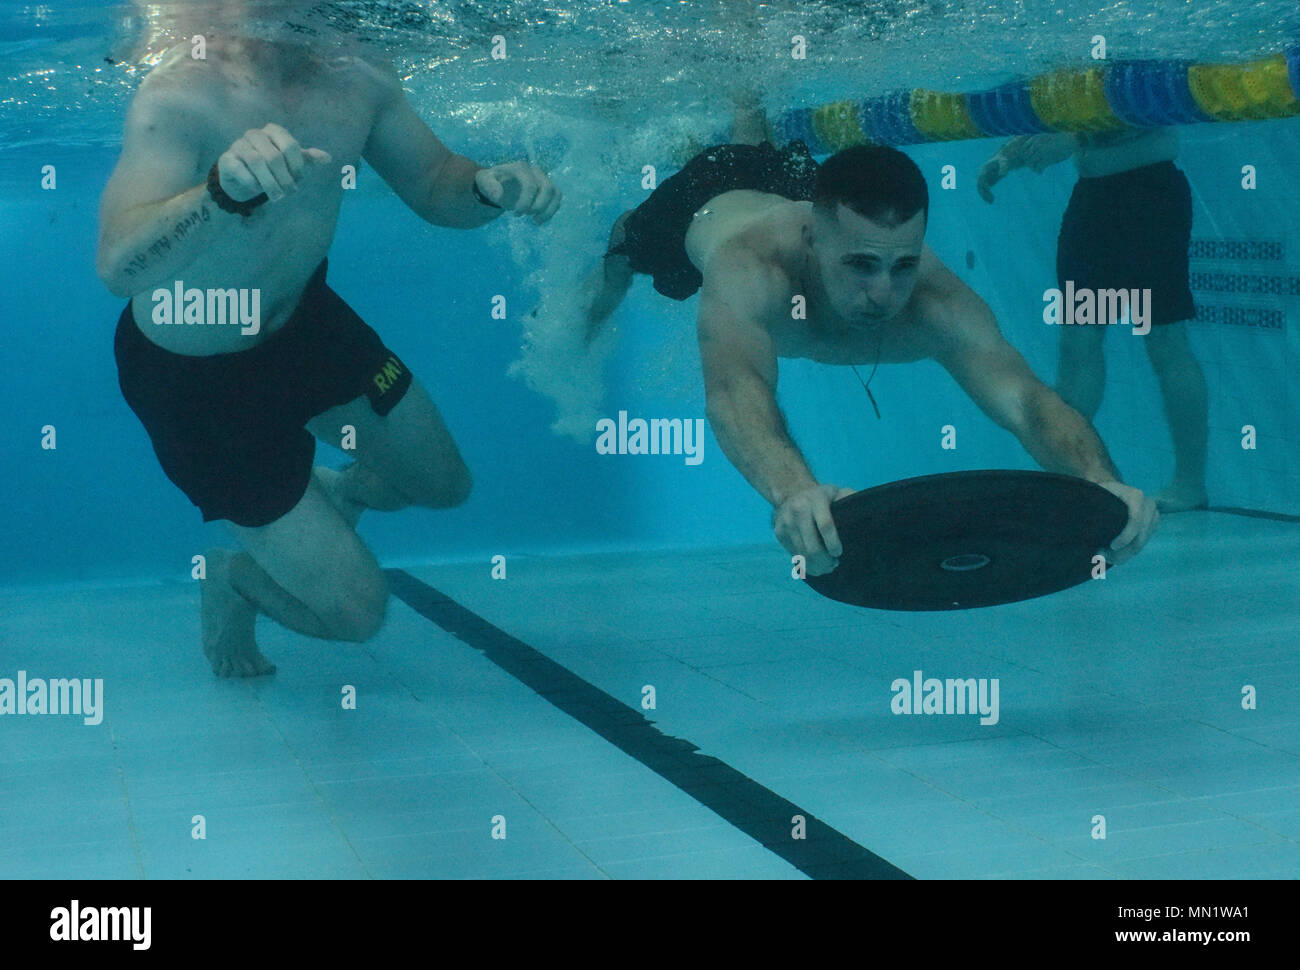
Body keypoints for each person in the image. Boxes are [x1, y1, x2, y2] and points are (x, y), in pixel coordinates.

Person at [97, 7, 561, 677]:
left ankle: (331, 495)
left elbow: (436, 185)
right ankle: (235, 578)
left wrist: (488, 189)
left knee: (441, 484)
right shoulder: (180, 92)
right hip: (195, 382)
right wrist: (221, 192)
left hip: (306, 328)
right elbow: (118, 265)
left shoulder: (358, 73)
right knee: (357, 616)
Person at [578, 108, 1158, 576]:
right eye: (860, 265)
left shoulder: (936, 301)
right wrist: (795, 492)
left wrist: (1100, 483)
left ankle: (746, 105)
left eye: (903, 264)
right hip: (704, 204)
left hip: (796, 190)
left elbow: (1028, 401)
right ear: (811, 240)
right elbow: (736, 392)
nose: (885, 294)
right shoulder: (752, 270)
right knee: (626, 255)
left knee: (759, 144)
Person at [978, 127, 1208, 512]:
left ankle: (1189, 483)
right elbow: (1064, 108)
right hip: (1094, 199)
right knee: (1078, 343)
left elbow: (1143, 101)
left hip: (1149, 194)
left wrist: (1075, 139)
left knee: (1164, 341)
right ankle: (1069, 471)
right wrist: (1010, 156)